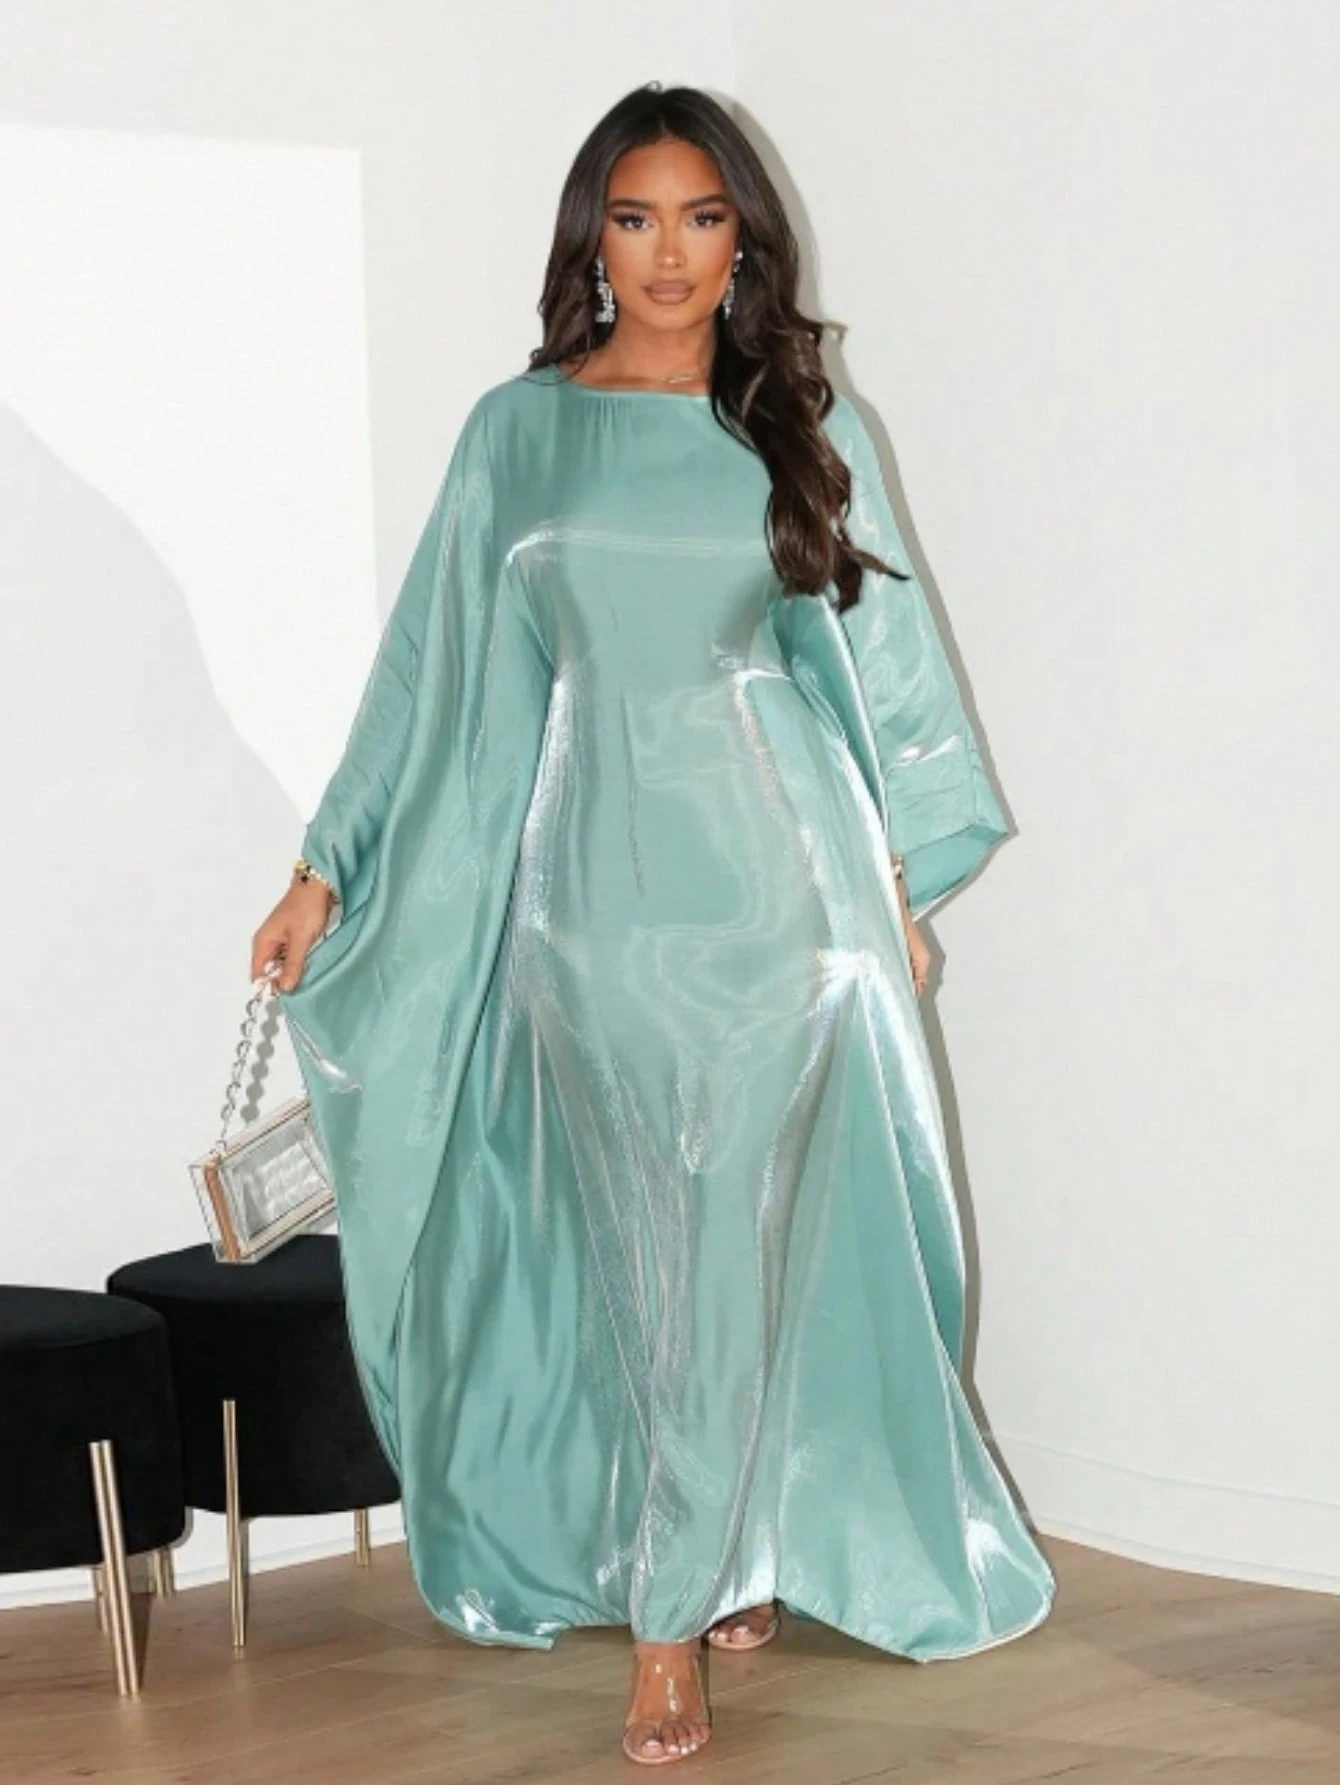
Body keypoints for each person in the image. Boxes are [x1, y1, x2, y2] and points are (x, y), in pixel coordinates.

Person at [251, 81, 1055, 1768]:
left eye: (702, 217)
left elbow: (889, 674)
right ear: (592, 239)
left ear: (744, 238)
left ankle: (674, 1623)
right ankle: (719, 1542)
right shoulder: (516, 433)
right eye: (636, 218)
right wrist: (328, 864)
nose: (670, 252)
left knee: (737, 1231)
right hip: (587, 908)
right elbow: (430, 671)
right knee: (639, 1244)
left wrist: (900, 889)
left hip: (784, 898)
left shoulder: (804, 426)